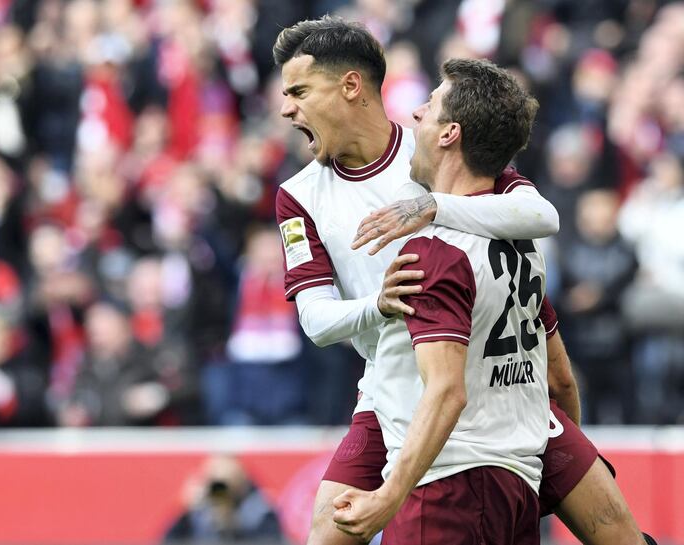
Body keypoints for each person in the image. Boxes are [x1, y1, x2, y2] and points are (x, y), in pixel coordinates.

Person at [271, 16, 654, 545]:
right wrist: (378, 306)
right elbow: (314, 319)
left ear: (349, 86)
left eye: (298, 91)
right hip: (392, 388)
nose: (286, 108)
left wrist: (432, 207)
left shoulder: (440, 147)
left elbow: (541, 216)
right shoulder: (299, 195)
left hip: (494, 379)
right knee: (326, 531)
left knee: (618, 531)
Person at [331, 57, 549, 544]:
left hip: (445, 487)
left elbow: (447, 390)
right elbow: (560, 377)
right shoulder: (523, 245)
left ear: (450, 133)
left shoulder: (435, 251)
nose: (413, 116)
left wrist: (389, 494)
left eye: (427, 108)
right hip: (516, 487)